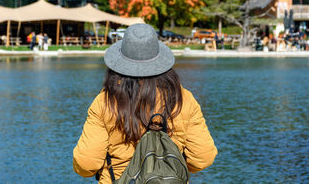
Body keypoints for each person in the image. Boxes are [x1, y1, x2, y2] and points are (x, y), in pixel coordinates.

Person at [73, 24, 217, 183]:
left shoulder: (105, 102)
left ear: (119, 63)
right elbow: (203, 157)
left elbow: (86, 164)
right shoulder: (183, 99)